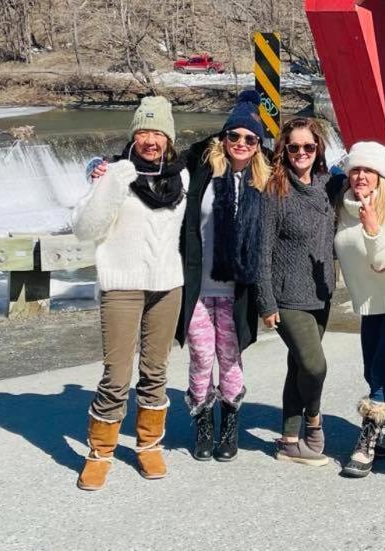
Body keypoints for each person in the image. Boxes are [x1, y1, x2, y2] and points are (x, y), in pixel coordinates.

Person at [72, 96, 187, 491]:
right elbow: (84, 228)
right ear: (133, 135)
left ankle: (149, 445)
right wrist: (110, 184)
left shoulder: (183, 179)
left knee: (155, 374)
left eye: (157, 132)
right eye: (143, 131)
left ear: (169, 137)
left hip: (167, 286)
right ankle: (100, 452)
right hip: (121, 285)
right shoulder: (114, 173)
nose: (150, 140)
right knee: (116, 376)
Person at [176, 90, 270, 463]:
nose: (241, 143)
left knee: (229, 358)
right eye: (234, 136)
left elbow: (313, 170)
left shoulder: (264, 181)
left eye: (250, 138)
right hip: (199, 286)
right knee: (201, 354)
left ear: (259, 145)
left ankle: (229, 427)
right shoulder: (200, 169)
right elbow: (160, 164)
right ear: (223, 138)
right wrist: (101, 166)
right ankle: (201, 422)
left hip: (237, 289)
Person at [257, 116, 335, 466]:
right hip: (287, 298)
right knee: (315, 366)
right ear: (283, 151)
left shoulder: (329, 185)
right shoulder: (275, 190)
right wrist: (266, 302)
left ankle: (289, 440)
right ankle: (314, 419)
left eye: (308, 146)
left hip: (322, 294)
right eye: (293, 147)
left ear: (317, 148)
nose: (301, 152)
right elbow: (263, 252)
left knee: (299, 367)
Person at [333, 141, 385, 478]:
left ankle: (367, 442)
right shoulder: (341, 207)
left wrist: (372, 227)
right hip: (368, 307)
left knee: (378, 375)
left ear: (381, 177)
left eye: (369, 171)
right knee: (372, 372)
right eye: (356, 170)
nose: (361, 176)